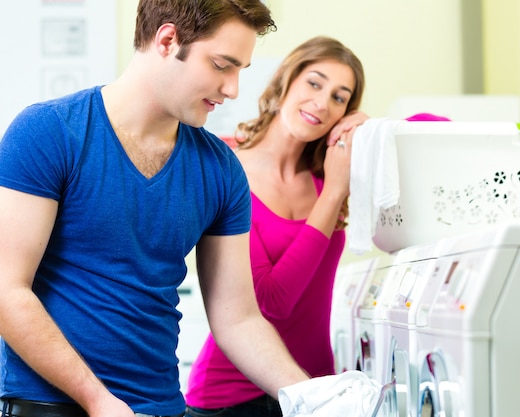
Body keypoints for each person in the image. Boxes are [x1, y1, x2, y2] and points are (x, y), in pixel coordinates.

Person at [0, 1, 313, 417]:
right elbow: (7, 290)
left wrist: (311, 396)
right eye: (222, 65)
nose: (233, 88)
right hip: (52, 404)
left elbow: (238, 319)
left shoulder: (221, 171)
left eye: (241, 70)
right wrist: (99, 402)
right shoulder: (49, 132)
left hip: (161, 406)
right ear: (167, 41)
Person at [185, 36, 367, 417]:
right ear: (286, 80)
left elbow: (436, 131)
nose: (322, 102)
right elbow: (272, 300)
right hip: (231, 399)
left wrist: (369, 127)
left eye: (340, 97)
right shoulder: (226, 163)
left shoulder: (327, 170)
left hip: (315, 389)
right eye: (314, 83)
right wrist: (332, 196)